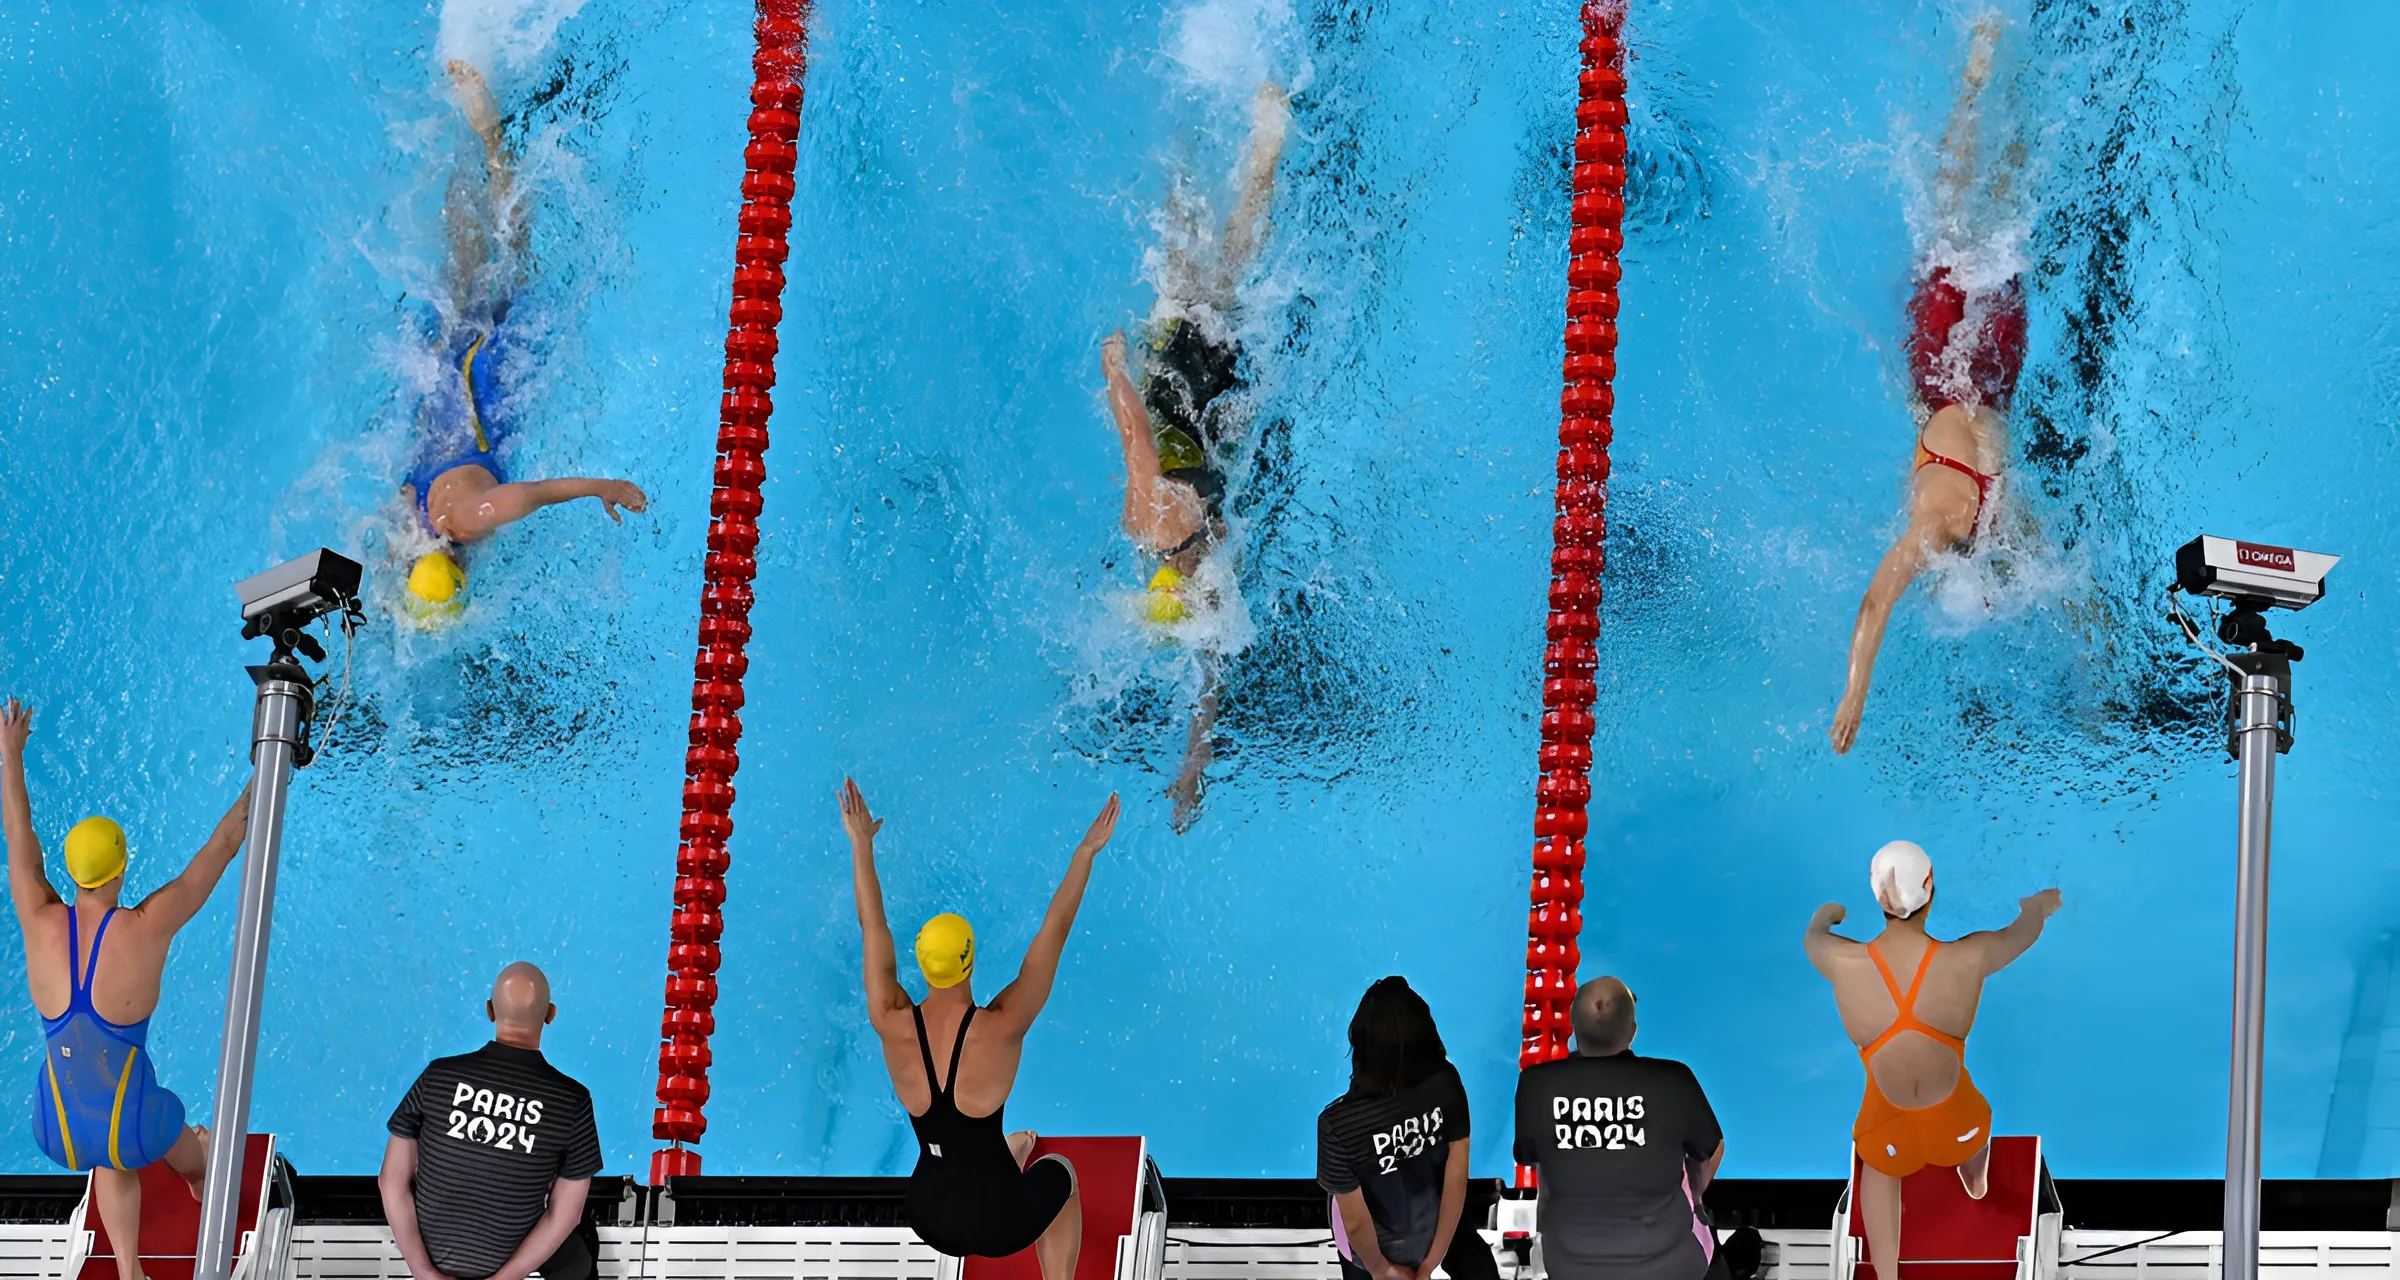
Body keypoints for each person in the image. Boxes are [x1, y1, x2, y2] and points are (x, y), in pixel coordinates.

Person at [1831, 15, 2027, 753]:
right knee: (1952, 210)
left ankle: (2003, 82)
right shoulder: (1936, 527)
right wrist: (1854, 694)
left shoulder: (2001, 522)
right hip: (1940, 367)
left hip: (1994, 371)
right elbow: (1875, 601)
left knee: (2001, 216)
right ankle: (1979, 73)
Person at [1100, 79, 1290, 830]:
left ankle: (1261, 146)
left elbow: (1210, 682)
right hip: (1180, 364)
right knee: (1185, 251)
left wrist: (1193, 767)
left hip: (1225, 391)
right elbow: (1135, 436)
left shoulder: (1216, 559)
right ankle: (1192, 120)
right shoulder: (1149, 523)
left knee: (1237, 266)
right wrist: (1113, 370)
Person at [396, 59, 648, 623]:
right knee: (461, 279)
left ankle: (492, 139)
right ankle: (463, 144)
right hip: (440, 390)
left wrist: (599, 486)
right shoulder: (408, 527)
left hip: (478, 385)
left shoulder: (465, 521)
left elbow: (526, 495)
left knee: (515, 264)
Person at [0, 699, 244, 1280]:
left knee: (106, 1133)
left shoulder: (36, 916)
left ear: (70, 872)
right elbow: (220, 851)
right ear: (122, 868)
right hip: (132, 1126)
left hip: (54, 1126)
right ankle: (198, 1174)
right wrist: (264, 777)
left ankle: (130, 1269)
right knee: (151, 1116)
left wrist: (10, 755)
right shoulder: (145, 927)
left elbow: (19, 840)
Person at [841, 778, 1121, 1279]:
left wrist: (861, 843)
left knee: (977, 1147)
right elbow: (1052, 932)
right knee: (1063, 1175)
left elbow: (873, 927)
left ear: (924, 967)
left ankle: (1008, 1154)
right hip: (999, 1223)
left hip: (927, 1215)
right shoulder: (1002, 1027)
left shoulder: (889, 1018)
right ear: (970, 964)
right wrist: (1085, 852)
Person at [1804, 840, 2061, 1280]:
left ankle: (1888, 1275)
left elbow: (1814, 937)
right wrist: (2038, 907)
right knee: (1975, 1123)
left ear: (1877, 896)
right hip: (1958, 1124)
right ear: (1930, 886)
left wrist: (1827, 914)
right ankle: (1974, 1178)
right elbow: (2021, 934)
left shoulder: (1839, 960)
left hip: (1889, 1128)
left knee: (1880, 1170)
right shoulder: (1969, 957)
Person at [381, 961, 603, 1280]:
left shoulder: (437, 1077)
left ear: (489, 1011)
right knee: (579, 1230)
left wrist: (425, 1273)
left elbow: (391, 1181)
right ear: (550, 1014)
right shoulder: (572, 1100)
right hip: (508, 1254)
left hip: (434, 1254)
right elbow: (565, 1216)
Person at [1513, 977, 1727, 1280]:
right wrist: (1695, 1195)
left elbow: (1536, 1162)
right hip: (1670, 1264)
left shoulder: (1537, 1084)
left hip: (1569, 1264)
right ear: (1632, 1031)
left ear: (1573, 1028)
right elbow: (1712, 1148)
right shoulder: (1672, 1079)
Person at [1315, 976, 1496, 1280]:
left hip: (1372, 1254)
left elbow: (1356, 1223)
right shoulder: (1446, 1084)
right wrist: (1429, 1264)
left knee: (1339, 1199)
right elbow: (1456, 1180)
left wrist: (1382, 1271)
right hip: (1431, 1232)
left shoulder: (1336, 1124)